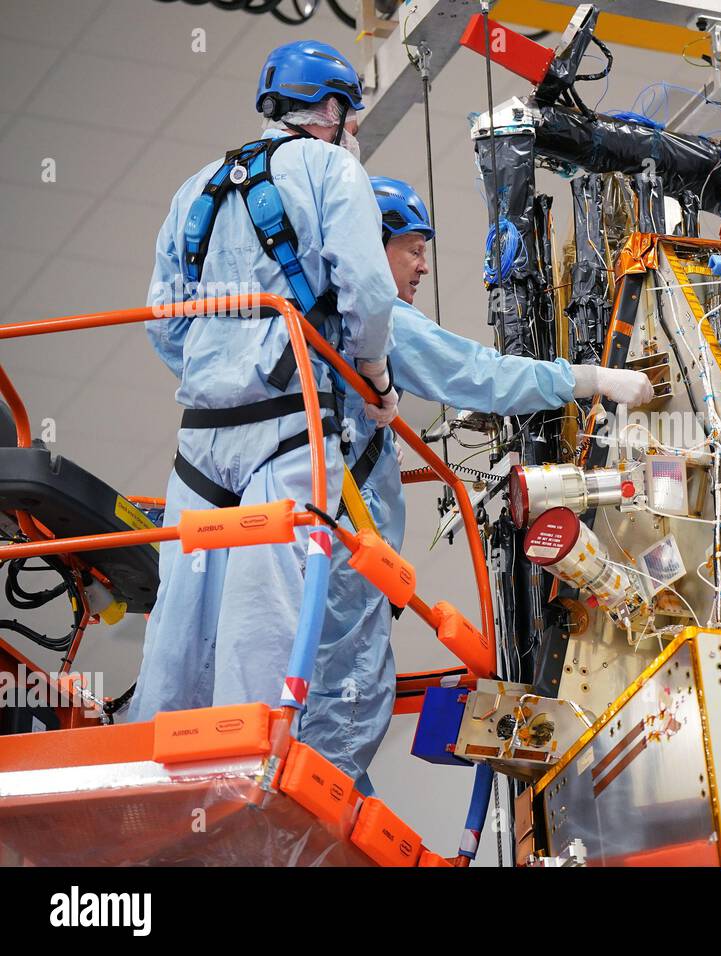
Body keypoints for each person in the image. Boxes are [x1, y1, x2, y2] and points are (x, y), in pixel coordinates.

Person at [298, 176, 652, 792]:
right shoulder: (375, 320)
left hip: (314, 548)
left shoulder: (302, 322)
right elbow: (479, 374)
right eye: (413, 249)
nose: (423, 266)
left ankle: (309, 801)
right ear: (369, 247)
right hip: (345, 559)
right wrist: (590, 379)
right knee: (349, 696)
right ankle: (318, 809)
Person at [132, 41, 399, 721]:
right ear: (330, 109)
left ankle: (157, 754)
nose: (352, 131)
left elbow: (163, 322)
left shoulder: (194, 189)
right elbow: (369, 291)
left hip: (201, 437)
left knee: (179, 612)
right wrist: (373, 374)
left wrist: (218, 367)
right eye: (351, 117)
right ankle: (249, 762)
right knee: (262, 609)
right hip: (289, 426)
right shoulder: (332, 170)